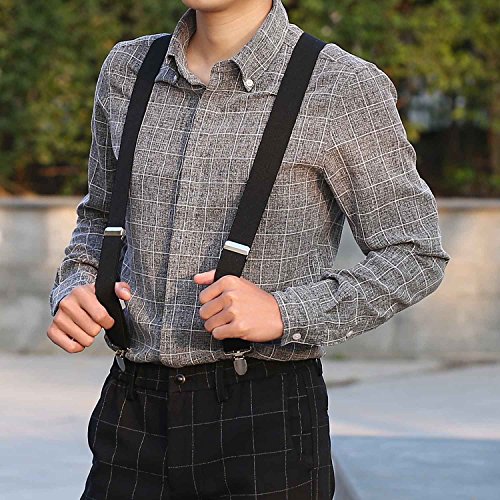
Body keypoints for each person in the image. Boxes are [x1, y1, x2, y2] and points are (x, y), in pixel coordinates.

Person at [47, 0, 451, 498]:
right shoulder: (128, 69)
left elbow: (415, 252)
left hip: (264, 417)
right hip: (132, 411)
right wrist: (77, 283)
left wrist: (286, 312)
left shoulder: (341, 86)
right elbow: (99, 216)